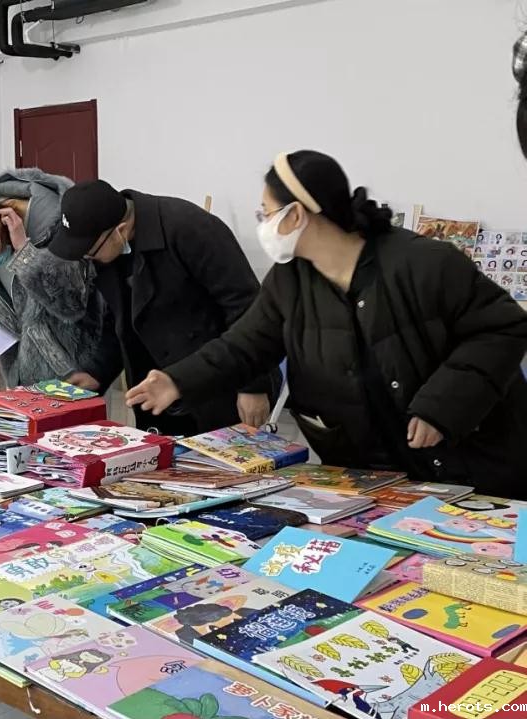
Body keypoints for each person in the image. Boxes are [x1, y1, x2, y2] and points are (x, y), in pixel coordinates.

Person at [126, 150, 527, 491]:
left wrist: (444, 406)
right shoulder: (290, 279)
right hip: (371, 473)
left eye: (266, 213)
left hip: (470, 466)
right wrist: (178, 380)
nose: (263, 224)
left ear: (296, 214)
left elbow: (504, 327)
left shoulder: (423, 264)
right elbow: (245, 345)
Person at [48, 180, 280, 435]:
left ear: (120, 230)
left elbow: (248, 310)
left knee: (219, 458)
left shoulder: (191, 229)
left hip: (218, 384)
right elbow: (120, 320)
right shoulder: (108, 249)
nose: (88, 259)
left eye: (90, 253)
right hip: (157, 393)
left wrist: (253, 386)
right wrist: (97, 370)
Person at [0, 169, 110, 386]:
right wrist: (1, 318)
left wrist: (24, 253)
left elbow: (71, 305)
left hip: (73, 371)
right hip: (20, 376)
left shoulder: (58, 230)